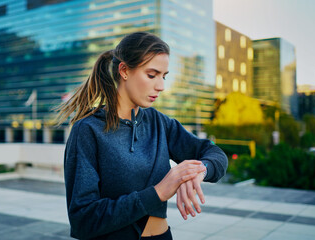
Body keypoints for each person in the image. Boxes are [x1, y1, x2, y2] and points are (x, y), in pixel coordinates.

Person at [56, 32, 228, 240]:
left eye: (164, 76)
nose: (161, 86)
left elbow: (214, 153)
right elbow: (83, 220)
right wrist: (158, 193)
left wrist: (199, 171)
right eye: (152, 75)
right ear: (124, 71)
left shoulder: (160, 123)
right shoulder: (88, 130)